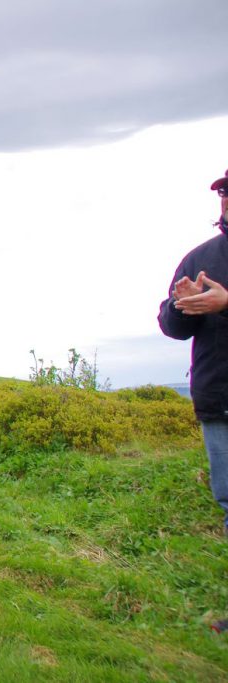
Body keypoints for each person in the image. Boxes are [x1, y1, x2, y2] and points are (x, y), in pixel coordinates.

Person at [158, 169, 228, 633]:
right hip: (219, 400)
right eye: (225, 193)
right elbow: (170, 324)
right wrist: (181, 305)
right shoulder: (202, 258)